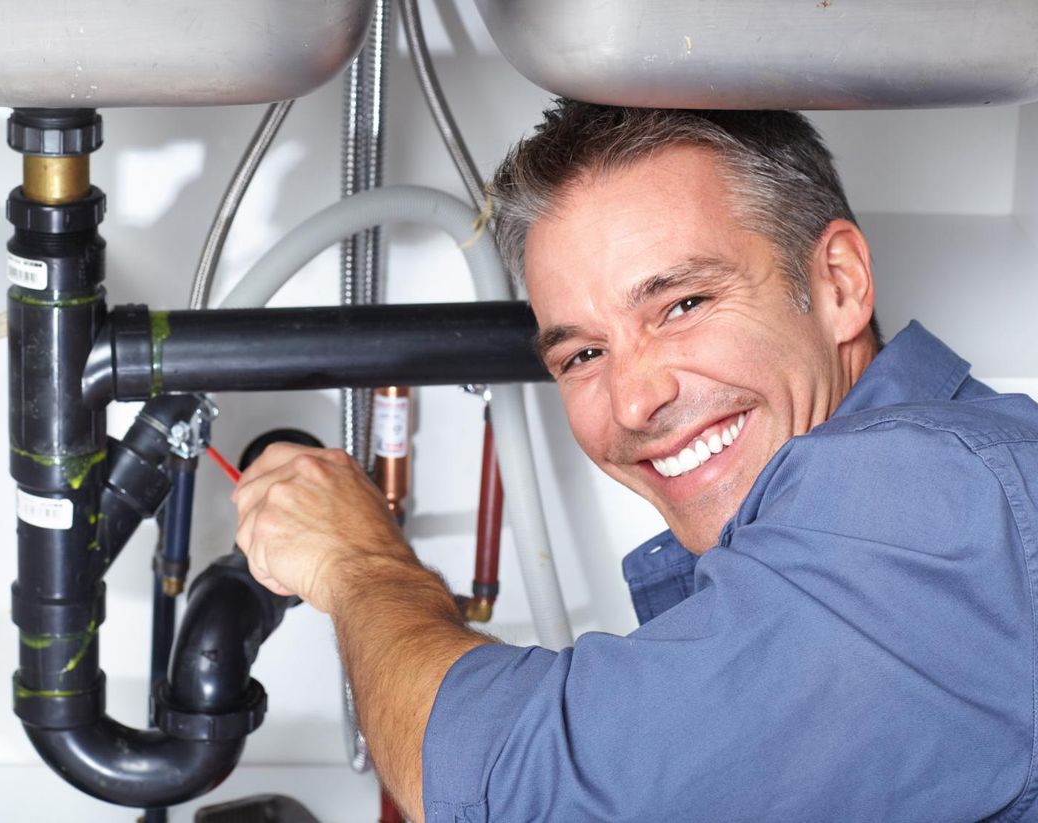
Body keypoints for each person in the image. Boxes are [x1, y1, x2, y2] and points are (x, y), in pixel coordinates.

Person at [232, 101, 1038, 822]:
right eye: (583, 353)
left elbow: (513, 794)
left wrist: (359, 563)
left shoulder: (935, 502)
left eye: (682, 305)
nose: (632, 400)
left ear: (837, 283)